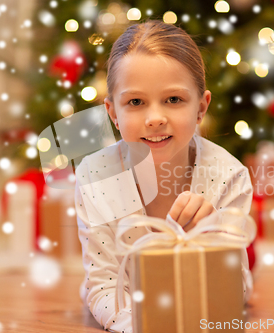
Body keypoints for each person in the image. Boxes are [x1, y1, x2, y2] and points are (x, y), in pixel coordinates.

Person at [74, 20, 253, 333]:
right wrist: (145, 326)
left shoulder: (228, 176)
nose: (155, 118)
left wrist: (211, 239)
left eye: (173, 100)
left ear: (201, 107)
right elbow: (104, 284)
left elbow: (235, 291)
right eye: (135, 102)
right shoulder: (95, 176)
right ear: (113, 113)